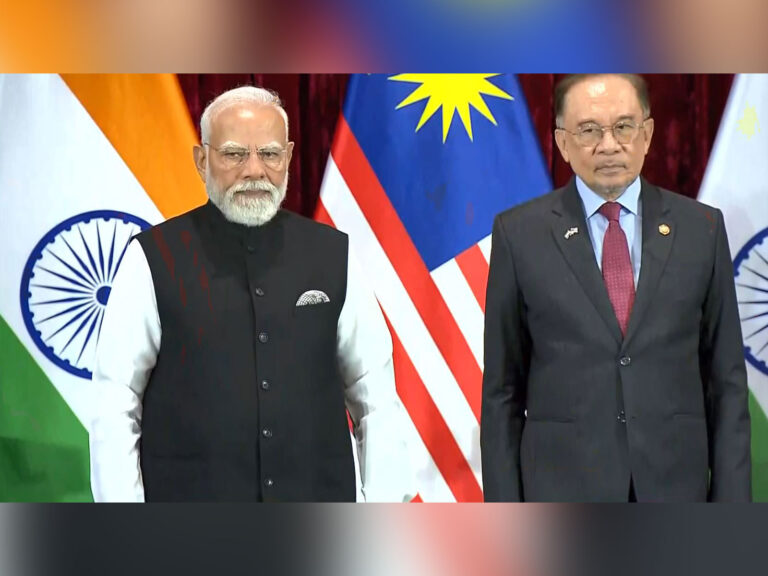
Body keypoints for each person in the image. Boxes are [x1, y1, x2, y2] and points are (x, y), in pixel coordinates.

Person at [89, 86, 414, 502]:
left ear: (289, 157)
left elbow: (375, 396)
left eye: (270, 154)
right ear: (202, 160)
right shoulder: (151, 258)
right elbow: (115, 402)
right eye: (234, 154)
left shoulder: (334, 255)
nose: (255, 170)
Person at [481, 74, 751, 502]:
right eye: (589, 130)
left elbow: (727, 386)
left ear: (648, 134)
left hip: (674, 494)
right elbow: (502, 395)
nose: (609, 146)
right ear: (562, 143)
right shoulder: (519, 235)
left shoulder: (701, 229)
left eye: (623, 127)